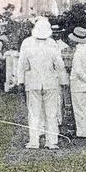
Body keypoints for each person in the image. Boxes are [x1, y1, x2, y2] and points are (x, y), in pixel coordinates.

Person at [18, 17, 65, 149]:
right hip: (50, 82)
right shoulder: (52, 44)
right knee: (51, 113)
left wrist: (20, 81)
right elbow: (60, 65)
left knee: (34, 113)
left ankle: (34, 141)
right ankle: (51, 142)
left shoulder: (27, 43)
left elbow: (22, 64)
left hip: (32, 82)